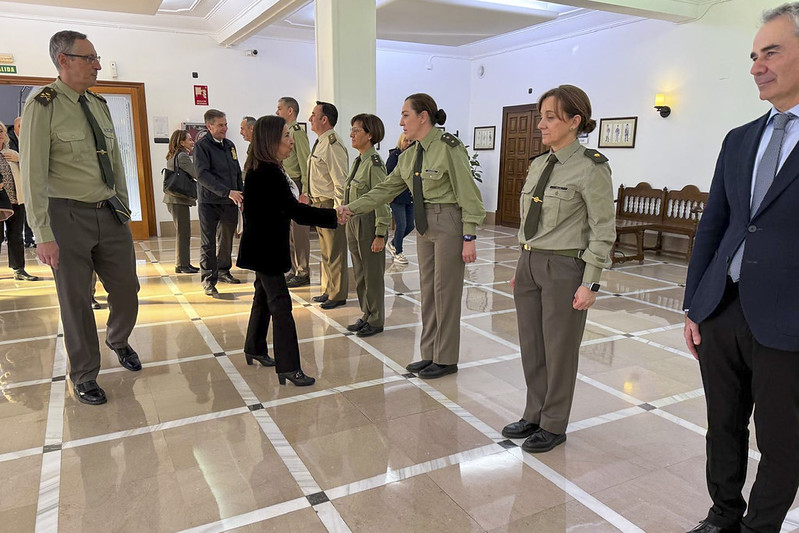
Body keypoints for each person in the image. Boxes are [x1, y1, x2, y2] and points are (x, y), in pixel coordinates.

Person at [683, 5, 799, 533]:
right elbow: (715, 226)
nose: (756, 66)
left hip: (789, 323)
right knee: (721, 427)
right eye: (753, 56)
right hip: (722, 310)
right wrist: (694, 304)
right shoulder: (739, 139)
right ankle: (722, 516)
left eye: (770, 52)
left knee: (783, 440)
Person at [21, 30, 142, 406]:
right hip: (65, 214)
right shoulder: (42, 105)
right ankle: (85, 374)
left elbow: (116, 159)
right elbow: (32, 172)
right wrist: (42, 232)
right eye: (89, 58)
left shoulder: (98, 103)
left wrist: (122, 204)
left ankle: (117, 339)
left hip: (108, 212)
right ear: (64, 60)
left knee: (126, 289)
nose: (98, 65)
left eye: (96, 58)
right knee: (75, 300)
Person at [500, 85, 615, 454]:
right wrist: (524, 263)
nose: (541, 124)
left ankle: (553, 423)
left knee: (560, 349)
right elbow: (529, 221)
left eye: (551, 117)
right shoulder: (538, 164)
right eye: (542, 116)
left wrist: (591, 282)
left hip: (566, 266)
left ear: (575, 121)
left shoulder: (591, 167)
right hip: (531, 261)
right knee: (532, 345)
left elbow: (602, 228)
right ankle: (533, 413)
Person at [339, 93, 486, 379]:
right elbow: (385, 189)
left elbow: (469, 194)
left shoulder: (448, 148)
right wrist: (351, 207)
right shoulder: (409, 155)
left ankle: (446, 358)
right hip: (424, 225)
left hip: (448, 222)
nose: (401, 121)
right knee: (429, 291)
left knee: (446, 292)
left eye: (406, 114)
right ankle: (430, 353)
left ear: (423, 116)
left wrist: (470, 236)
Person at [237, 115, 338, 386]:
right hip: (266, 249)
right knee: (281, 307)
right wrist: (333, 216)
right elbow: (295, 211)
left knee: (262, 298)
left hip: (262, 247)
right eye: (285, 136)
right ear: (270, 141)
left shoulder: (265, 168)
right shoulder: (267, 172)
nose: (291, 140)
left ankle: (255, 347)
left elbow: (284, 207)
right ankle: (289, 367)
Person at [344, 114, 391, 338]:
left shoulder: (374, 163)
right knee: (360, 273)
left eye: (357, 130)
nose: (351, 134)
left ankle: (376, 318)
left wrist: (381, 233)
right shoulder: (359, 160)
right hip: (354, 223)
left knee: (372, 274)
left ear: (370, 135)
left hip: (369, 223)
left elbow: (381, 198)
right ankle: (366, 313)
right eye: (351, 130)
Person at [194, 108, 243, 296]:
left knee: (226, 240)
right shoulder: (201, 147)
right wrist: (226, 192)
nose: (225, 128)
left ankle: (223, 271)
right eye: (221, 125)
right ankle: (208, 279)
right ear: (209, 126)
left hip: (230, 201)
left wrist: (241, 194)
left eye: (226, 124)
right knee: (208, 242)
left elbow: (236, 171)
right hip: (210, 202)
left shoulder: (229, 145)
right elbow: (202, 175)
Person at [308, 101, 349, 309]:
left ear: (324, 119)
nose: (310, 119)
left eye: (314, 115)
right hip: (318, 204)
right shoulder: (321, 142)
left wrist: (339, 210)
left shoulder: (332, 143)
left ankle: (338, 293)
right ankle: (329, 289)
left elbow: (340, 180)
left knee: (335, 251)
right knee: (325, 251)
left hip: (329, 205)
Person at [276, 97, 312, 288]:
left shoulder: (297, 132)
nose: (277, 112)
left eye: (280, 108)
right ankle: (291, 269)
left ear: (290, 111)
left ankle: (303, 271)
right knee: (288, 232)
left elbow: (306, 162)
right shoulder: (285, 132)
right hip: (285, 184)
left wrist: (305, 190)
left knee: (299, 232)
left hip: (297, 184)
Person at [0, 121, 38, 281]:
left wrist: (20, 158)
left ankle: (19, 269)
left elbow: (30, 171)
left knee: (16, 236)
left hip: (16, 201)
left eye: (1, 131)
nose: (0, 134)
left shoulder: (11, 153)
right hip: (1, 204)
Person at [164, 129, 199, 274]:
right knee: (183, 233)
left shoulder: (172, 156)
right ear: (181, 142)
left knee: (183, 232)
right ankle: (182, 264)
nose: (192, 142)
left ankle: (184, 263)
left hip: (173, 198)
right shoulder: (183, 156)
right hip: (178, 199)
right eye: (189, 139)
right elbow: (196, 173)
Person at [385, 133, 414, 265]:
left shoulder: (413, 156)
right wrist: (389, 195)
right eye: (405, 141)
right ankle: (398, 252)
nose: (407, 143)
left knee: (410, 225)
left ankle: (392, 244)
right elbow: (388, 177)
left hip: (410, 196)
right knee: (401, 225)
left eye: (410, 141)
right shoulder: (395, 156)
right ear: (400, 141)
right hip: (397, 197)